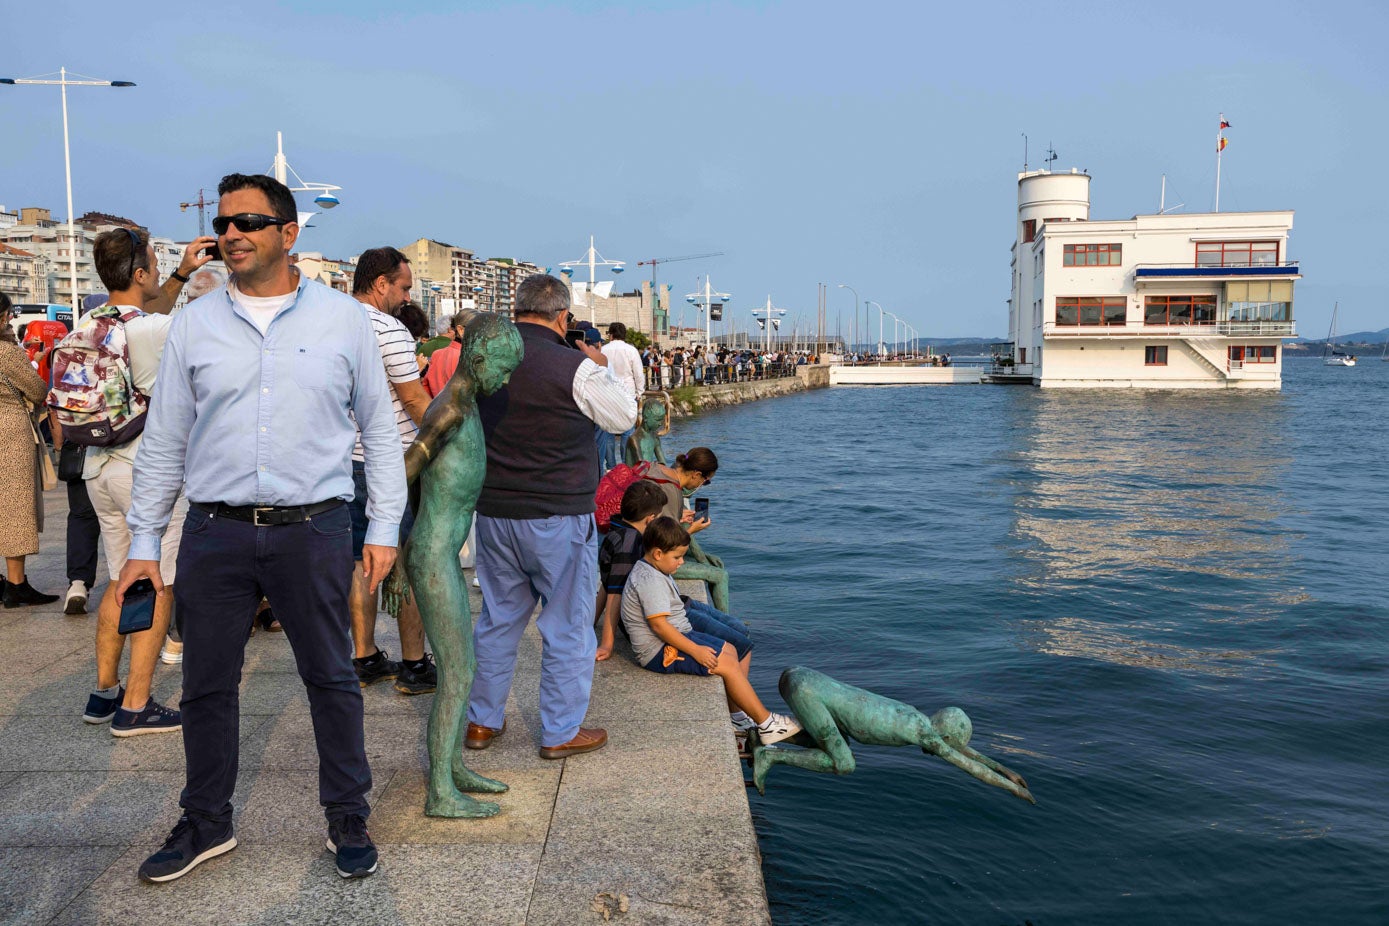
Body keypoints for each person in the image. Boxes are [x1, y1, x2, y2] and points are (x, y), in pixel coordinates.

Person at [118, 172, 405, 883]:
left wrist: (385, 528)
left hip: (315, 528)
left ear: (288, 233)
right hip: (216, 531)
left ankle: (346, 815)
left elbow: (379, 426)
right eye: (225, 222)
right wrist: (145, 543)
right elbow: (164, 441)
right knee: (207, 685)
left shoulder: (342, 320)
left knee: (332, 679)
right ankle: (206, 820)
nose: (232, 234)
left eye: (248, 221)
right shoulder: (196, 321)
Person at [463, 274, 636, 760]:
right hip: (557, 513)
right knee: (566, 624)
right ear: (564, 317)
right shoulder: (574, 367)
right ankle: (560, 731)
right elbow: (622, 418)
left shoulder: (484, 358)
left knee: (497, 620)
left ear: (516, 311)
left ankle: (481, 722)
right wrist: (603, 367)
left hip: (495, 512)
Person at [80, 226, 213, 734]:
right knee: (158, 582)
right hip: (145, 472)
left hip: (98, 467)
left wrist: (179, 272)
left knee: (121, 579)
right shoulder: (157, 332)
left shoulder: (94, 320)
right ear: (139, 274)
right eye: (156, 268)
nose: (160, 274)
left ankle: (104, 692)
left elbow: (149, 315)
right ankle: (136, 705)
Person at [621, 516, 798, 742]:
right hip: (658, 652)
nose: (681, 562)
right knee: (725, 665)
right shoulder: (649, 580)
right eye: (677, 557)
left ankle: (739, 716)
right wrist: (695, 650)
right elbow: (659, 627)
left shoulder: (654, 569)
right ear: (657, 554)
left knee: (731, 651)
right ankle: (767, 724)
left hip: (678, 635)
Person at [346, 248, 435, 696]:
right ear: (380, 283)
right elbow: (415, 401)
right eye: (403, 287)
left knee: (359, 564)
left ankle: (364, 657)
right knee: (405, 564)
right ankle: (415, 664)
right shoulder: (389, 329)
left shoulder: (334, 320)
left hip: (343, 461)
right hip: (388, 462)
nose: (405, 297)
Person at [0, 292, 60, 608]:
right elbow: (37, 390)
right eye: (9, 314)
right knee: (15, 507)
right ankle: (16, 584)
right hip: (9, 435)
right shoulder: (8, 353)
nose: (12, 320)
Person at [645, 448, 730, 611]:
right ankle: (726, 622)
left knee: (713, 563)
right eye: (706, 481)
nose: (702, 485)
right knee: (720, 575)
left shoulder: (658, 469)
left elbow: (656, 519)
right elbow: (666, 543)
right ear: (696, 474)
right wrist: (692, 529)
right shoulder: (671, 490)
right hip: (652, 558)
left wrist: (677, 517)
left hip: (638, 543)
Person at [598, 322, 642, 471]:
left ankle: (610, 465)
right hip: (627, 394)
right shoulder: (631, 350)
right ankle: (626, 464)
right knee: (627, 431)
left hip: (607, 394)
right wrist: (639, 392)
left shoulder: (603, 350)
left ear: (610, 334)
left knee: (607, 431)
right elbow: (638, 373)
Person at [421, 311, 468, 397]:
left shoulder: (436, 354)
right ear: (460, 330)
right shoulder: (466, 357)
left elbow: (426, 386)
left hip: (436, 406)